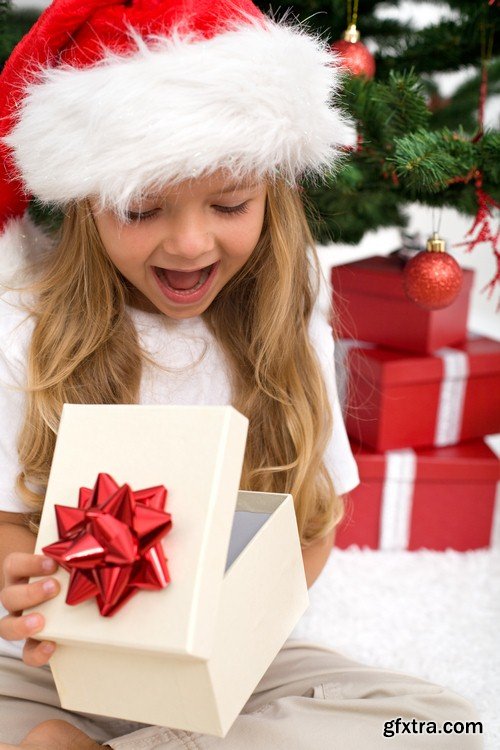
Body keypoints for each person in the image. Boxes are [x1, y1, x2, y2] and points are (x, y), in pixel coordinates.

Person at [0, 1, 483, 748]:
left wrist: (222, 639)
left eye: (229, 204)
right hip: (58, 665)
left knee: (442, 723)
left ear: (271, 194)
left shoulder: (289, 325)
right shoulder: (26, 328)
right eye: (141, 207)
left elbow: (312, 525)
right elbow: (8, 526)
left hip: (236, 665)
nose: (190, 243)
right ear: (89, 203)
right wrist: (23, 581)